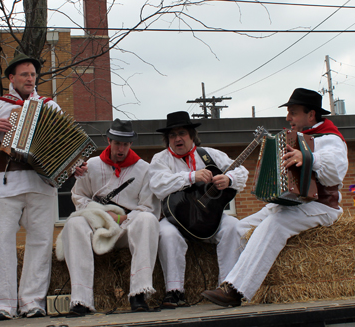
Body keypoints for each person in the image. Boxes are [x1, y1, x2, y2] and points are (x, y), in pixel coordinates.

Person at [201, 88, 348, 307]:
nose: (288, 117)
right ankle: (225, 283)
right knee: (239, 229)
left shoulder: (329, 139)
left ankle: (235, 291)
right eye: (288, 112)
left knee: (275, 224)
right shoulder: (292, 138)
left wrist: (307, 157)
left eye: (294, 112)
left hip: (322, 207)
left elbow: (336, 172)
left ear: (311, 115)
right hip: (293, 204)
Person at [0, 53, 67, 320]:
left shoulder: (50, 106)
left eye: (33, 75)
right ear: (11, 78)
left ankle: (32, 302)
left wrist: (73, 163)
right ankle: (2, 305)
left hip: (41, 184)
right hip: (6, 182)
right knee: (2, 243)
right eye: (24, 74)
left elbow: (62, 144)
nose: (29, 79)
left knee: (40, 242)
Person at [148, 111, 249, 307]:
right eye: (172, 135)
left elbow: (241, 171)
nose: (178, 138)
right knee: (167, 235)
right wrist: (191, 176)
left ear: (192, 135)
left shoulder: (210, 154)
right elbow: (158, 185)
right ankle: (174, 291)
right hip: (174, 220)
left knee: (234, 226)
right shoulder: (160, 159)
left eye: (182, 133)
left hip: (210, 218)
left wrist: (229, 179)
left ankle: (227, 287)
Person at [59, 119, 160, 314]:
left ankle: (139, 294)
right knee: (74, 223)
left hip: (126, 227)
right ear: (109, 140)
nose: (120, 148)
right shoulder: (92, 164)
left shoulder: (144, 169)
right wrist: (101, 214)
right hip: (96, 224)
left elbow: (148, 206)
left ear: (131, 144)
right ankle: (81, 300)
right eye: (117, 143)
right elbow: (78, 196)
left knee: (148, 220)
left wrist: (121, 219)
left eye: (125, 144)